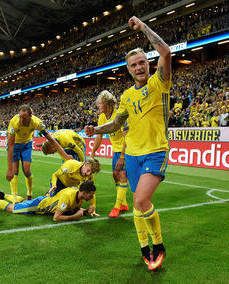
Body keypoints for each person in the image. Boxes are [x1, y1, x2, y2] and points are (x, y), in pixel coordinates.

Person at [85, 16, 171, 270]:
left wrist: (143, 27)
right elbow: (116, 124)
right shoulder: (126, 95)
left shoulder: (159, 83)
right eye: (133, 65)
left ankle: (158, 244)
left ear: (148, 64)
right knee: (136, 203)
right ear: (129, 69)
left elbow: (165, 51)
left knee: (142, 200)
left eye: (142, 62)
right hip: (132, 154)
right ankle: (144, 248)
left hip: (155, 151)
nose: (139, 67)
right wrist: (96, 128)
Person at [6, 105, 71, 202]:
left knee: (27, 170)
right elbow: (10, 145)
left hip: (26, 145)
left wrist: (65, 155)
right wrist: (9, 169)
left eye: (24, 117)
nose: (21, 120)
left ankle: (29, 193)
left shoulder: (37, 122)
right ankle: (14, 199)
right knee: (15, 170)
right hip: (15, 145)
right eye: (20, 117)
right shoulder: (14, 122)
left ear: (30, 116)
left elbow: (52, 140)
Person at [90, 90, 129, 218]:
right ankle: (123, 203)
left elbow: (127, 137)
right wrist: (92, 153)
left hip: (127, 149)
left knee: (122, 175)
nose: (98, 106)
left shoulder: (119, 115)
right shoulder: (102, 117)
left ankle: (117, 207)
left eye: (100, 103)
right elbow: (99, 136)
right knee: (115, 176)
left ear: (107, 104)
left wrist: (122, 156)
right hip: (116, 150)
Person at [0, 181, 97, 221]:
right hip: (39, 206)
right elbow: (56, 218)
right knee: (13, 209)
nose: (92, 197)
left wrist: (86, 211)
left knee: (21, 203)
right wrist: (75, 217)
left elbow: (75, 209)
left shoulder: (80, 198)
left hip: (45, 200)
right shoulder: (68, 196)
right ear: (84, 192)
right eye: (91, 195)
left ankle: (3, 195)